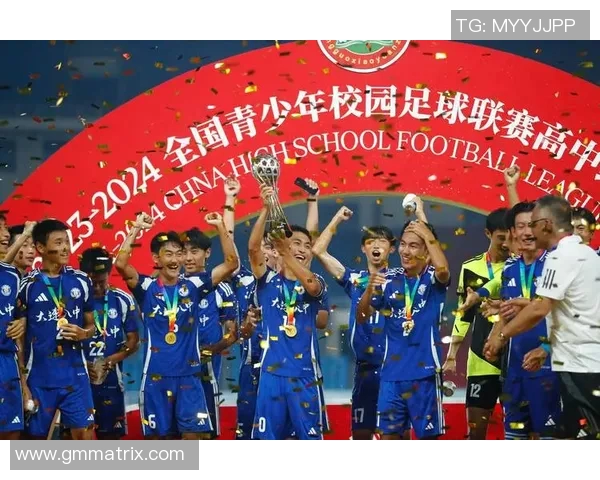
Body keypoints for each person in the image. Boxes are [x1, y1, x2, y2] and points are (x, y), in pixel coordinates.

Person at [485, 195, 600, 439]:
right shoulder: (585, 253)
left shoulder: (560, 257)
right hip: (587, 363)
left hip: (579, 367)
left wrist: (501, 336)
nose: (529, 232)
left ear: (546, 225)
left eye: (533, 224)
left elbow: (540, 308)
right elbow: (563, 308)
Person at [115, 212, 238, 439]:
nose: (175, 260)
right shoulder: (146, 287)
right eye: (168, 254)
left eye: (179, 254)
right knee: (161, 443)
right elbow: (121, 264)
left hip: (190, 377)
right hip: (156, 377)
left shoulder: (194, 286)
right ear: (156, 258)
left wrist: (221, 226)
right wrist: (136, 228)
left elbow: (231, 263)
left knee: (194, 439)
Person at [312, 205, 401, 439]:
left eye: (382, 241)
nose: (376, 246)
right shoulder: (355, 279)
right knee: (361, 434)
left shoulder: (401, 279)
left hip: (393, 370)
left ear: (391, 249)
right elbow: (318, 250)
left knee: (395, 436)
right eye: (370, 242)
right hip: (364, 371)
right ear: (363, 248)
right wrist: (337, 219)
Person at [357, 219, 450, 440]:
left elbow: (443, 270)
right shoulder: (389, 279)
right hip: (390, 376)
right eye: (403, 244)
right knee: (388, 438)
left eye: (414, 246)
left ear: (426, 251)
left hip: (424, 375)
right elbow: (362, 316)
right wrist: (369, 290)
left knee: (428, 441)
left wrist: (427, 234)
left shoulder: (432, 279)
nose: (405, 251)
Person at [248, 185, 328, 440]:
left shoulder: (316, 282)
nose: (302, 249)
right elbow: (253, 250)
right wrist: (265, 208)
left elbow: (312, 287)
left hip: (304, 376)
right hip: (271, 375)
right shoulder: (267, 280)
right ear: (281, 246)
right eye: (296, 244)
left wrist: (286, 251)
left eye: (307, 245)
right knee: (267, 442)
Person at [16, 219, 96, 440]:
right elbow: (18, 338)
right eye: (58, 242)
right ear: (41, 248)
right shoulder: (27, 285)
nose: (65, 248)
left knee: (84, 436)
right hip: (39, 378)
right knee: (34, 444)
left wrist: (83, 333)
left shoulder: (81, 281)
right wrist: (23, 383)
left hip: (75, 376)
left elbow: (92, 325)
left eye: (67, 242)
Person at [493, 202, 561, 439]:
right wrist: (495, 338)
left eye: (532, 225)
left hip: (549, 368)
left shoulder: (556, 263)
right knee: (514, 438)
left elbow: (565, 313)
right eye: (520, 226)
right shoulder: (509, 268)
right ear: (513, 232)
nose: (527, 232)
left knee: (550, 440)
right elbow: (506, 311)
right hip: (515, 372)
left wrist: (546, 348)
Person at [443, 208, 510, 439]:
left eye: (510, 237)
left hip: (513, 356)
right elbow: (464, 314)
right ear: (488, 234)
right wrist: (452, 355)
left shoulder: (520, 266)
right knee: (476, 431)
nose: (506, 243)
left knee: (519, 428)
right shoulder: (470, 267)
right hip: (481, 358)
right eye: (501, 238)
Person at [181, 226, 238, 438]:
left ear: (207, 253)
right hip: (174, 370)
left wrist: (214, 349)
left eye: (194, 251)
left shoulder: (221, 288)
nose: (188, 258)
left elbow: (233, 332)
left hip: (206, 371)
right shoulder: (172, 287)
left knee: (207, 433)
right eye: (183, 252)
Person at [79, 247, 140, 440]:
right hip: (78, 380)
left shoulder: (122, 299)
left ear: (109, 274)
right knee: (76, 436)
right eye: (92, 283)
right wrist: (83, 364)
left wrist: (112, 360)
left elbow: (134, 341)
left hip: (112, 381)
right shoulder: (73, 301)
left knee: (110, 438)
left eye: (101, 282)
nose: (97, 288)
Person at [0, 224, 25, 439]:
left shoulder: (12, 276)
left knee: (11, 430)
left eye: (5, 228)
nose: (6, 234)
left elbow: (18, 312)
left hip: (7, 360)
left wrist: (22, 321)